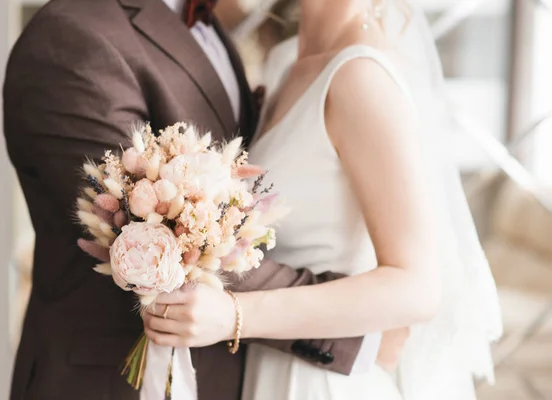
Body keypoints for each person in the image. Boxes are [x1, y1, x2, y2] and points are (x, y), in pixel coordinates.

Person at [3, 0, 380, 399]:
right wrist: (354, 319)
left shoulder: (210, 28)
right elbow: (159, 241)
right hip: (112, 381)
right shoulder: (74, 37)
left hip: (230, 373)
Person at [145, 0, 503, 399]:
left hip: (320, 382)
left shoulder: (360, 76)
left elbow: (416, 287)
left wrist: (235, 315)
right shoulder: (286, 62)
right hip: (263, 371)